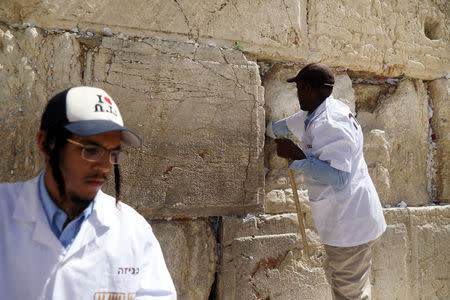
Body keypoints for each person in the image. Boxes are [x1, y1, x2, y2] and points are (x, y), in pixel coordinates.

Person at [0, 86, 177, 299]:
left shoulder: (133, 232)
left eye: (113, 153)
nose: (104, 167)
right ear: (46, 144)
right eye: (91, 150)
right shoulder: (4, 214)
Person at [266, 63, 386, 300]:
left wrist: (300, 158)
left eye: (299, 87)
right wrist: (267, 130)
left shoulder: (331, 123)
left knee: (350, 295)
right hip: (352, 222)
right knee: (348, 288)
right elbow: (282, 127)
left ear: (308, 88)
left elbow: (339, 176)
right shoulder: (318, 111)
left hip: (350, 225)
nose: (297, 93)